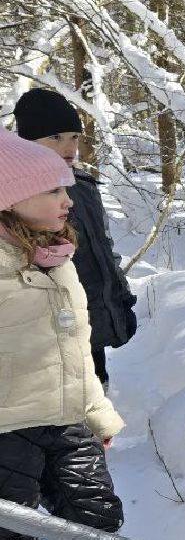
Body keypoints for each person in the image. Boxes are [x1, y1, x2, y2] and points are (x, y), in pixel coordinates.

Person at [0, 130, 126, 540]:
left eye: (65, 189)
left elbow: (76, 349)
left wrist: (96, 413)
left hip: (70, 420)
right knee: (9, 537)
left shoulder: (60, 257)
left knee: (96, 515)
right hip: (8, 430)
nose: (66, 201)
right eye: (52, 191)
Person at [13, 89, 138, 388]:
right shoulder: (15, 193)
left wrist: (119, 302)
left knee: (96, 403)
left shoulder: (82, 187)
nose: (69, 147)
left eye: (74, 137)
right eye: (56, 137)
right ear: (27, 142)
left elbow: (102, 251)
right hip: (43, 338)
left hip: (89, 324)